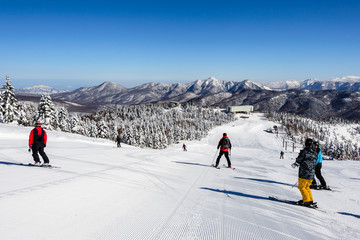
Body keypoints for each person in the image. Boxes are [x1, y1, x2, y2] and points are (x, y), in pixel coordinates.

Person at [291, 138, 318, 207]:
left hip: (304, 172)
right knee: (307, 187)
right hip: (312, 173)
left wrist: (296, 163)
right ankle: (309, 199)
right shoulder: (315, 152)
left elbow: (300, 159)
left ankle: (306, 201)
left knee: (302, 187)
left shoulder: (304, 151)